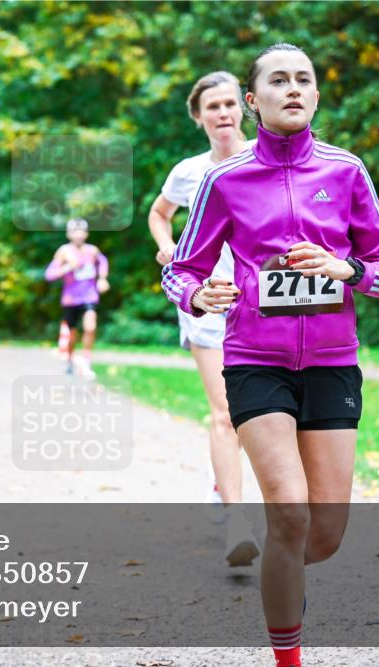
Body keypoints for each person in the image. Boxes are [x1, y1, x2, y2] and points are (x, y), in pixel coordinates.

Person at [162, 44, 379, 667]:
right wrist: (198, 294)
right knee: (291, 515)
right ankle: (287, 656)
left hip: (331, 364)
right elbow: (180, 271)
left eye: (304, 79)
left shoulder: (346, 171)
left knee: (320, 536)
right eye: (278, 80)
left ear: (317, 96)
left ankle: (284, 577)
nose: (292, 88)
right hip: (255, 361)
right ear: (254, 100)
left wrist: (347, 269)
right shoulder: (225, 179)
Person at [148, 70, 260, 568]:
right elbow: (158, 213)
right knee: (225, 411)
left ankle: (222, 479)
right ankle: (237, 524)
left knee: (258, 414)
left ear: (245, 107)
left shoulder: (264, 160)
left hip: (263, 302)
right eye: (212, 106)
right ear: (198, 116)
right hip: (207, 301)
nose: (223, 113)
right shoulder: (188, 172)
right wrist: (169, 249)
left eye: (230, 103)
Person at [44, 218, 109, 379]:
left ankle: (86, 361)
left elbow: (103, 262)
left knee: (90, 327)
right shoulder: (63, 252)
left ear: (86, 234)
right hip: (70, 299)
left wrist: (102, 279)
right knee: (71, 334)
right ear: (69, 234)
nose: (78, 235)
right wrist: (68, 267)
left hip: (89, 296)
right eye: (75, 231)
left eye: (82, 231)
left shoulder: (92, 251)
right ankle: (70, 360)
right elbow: (49, 275)